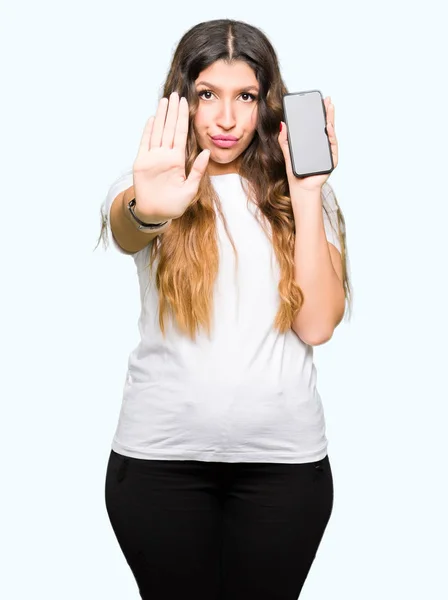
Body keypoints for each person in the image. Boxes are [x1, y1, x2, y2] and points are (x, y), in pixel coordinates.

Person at [96, 18, 352, 600]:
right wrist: (149, 208)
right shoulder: (151, 184)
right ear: (182, 100)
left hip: (284, 469)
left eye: (246, 96)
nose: (227, 118)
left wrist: (308, 193)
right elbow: (127, 230)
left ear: (268, 104)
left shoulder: (304, 199)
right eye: (207, 94)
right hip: (159, 465)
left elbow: (316, 324)